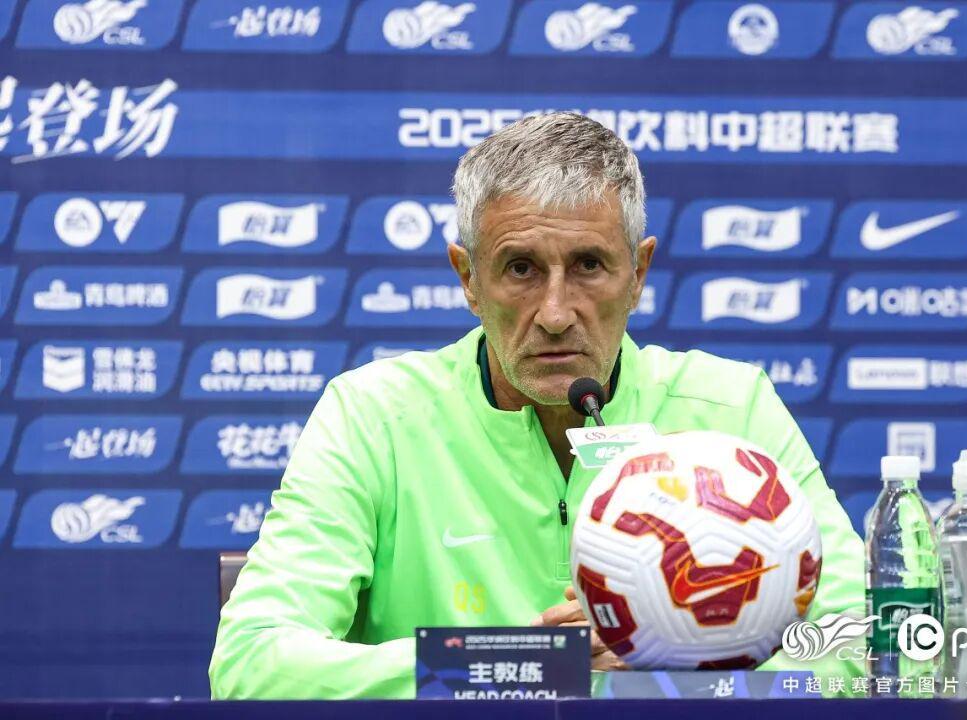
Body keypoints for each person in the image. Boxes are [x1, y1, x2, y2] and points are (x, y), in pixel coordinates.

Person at [209, 112, 865, 699]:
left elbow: (867, 648)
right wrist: (515, 666)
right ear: (468, 278)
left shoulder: (728, 410)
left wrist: (677, 671)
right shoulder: (374, 417)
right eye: (520, 268)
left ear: (638, 274)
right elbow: (252, 664)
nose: (555, 314)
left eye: (589, 266)